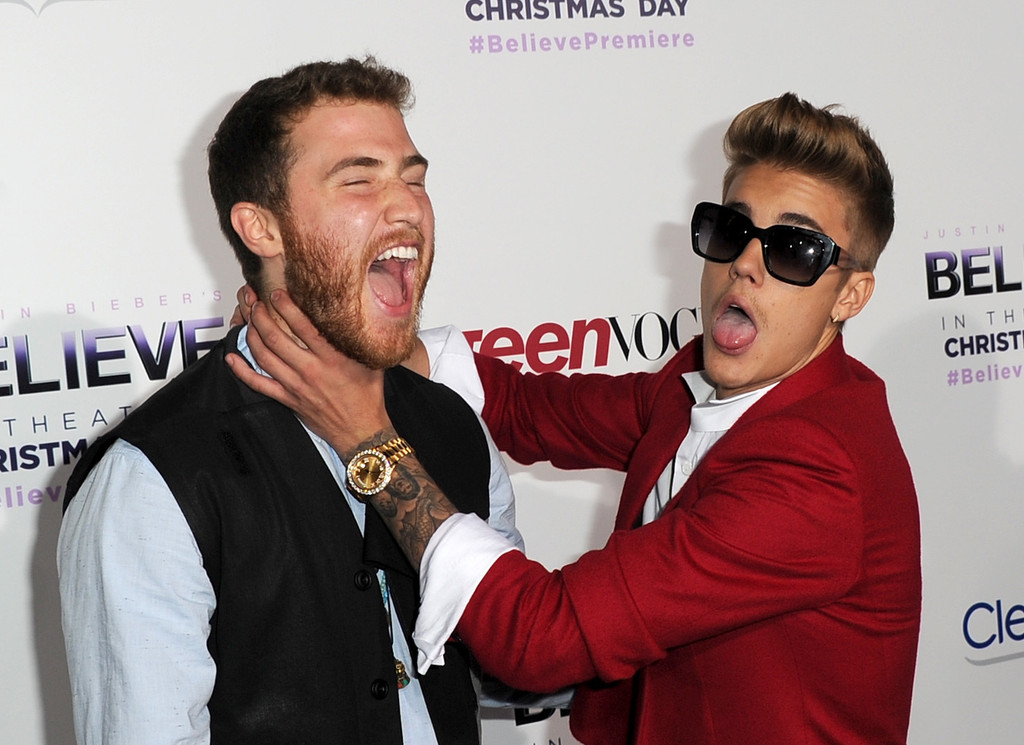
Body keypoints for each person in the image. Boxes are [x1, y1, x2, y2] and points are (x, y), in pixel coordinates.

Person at [232, 93, 921, 744]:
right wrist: (348, 334)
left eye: (793, 251)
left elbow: (543, 640)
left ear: (851, 294)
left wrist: (368, 442)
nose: (744, 265)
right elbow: (529, 410)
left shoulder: (817, 474)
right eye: (731, 229)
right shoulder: (705, 380)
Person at [56, 57, 527, 745]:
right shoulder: (152, 478)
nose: (407, 208)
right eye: (360, 180)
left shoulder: (452, 423)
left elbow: (520, 655)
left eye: (415, 178)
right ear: (261, 229)